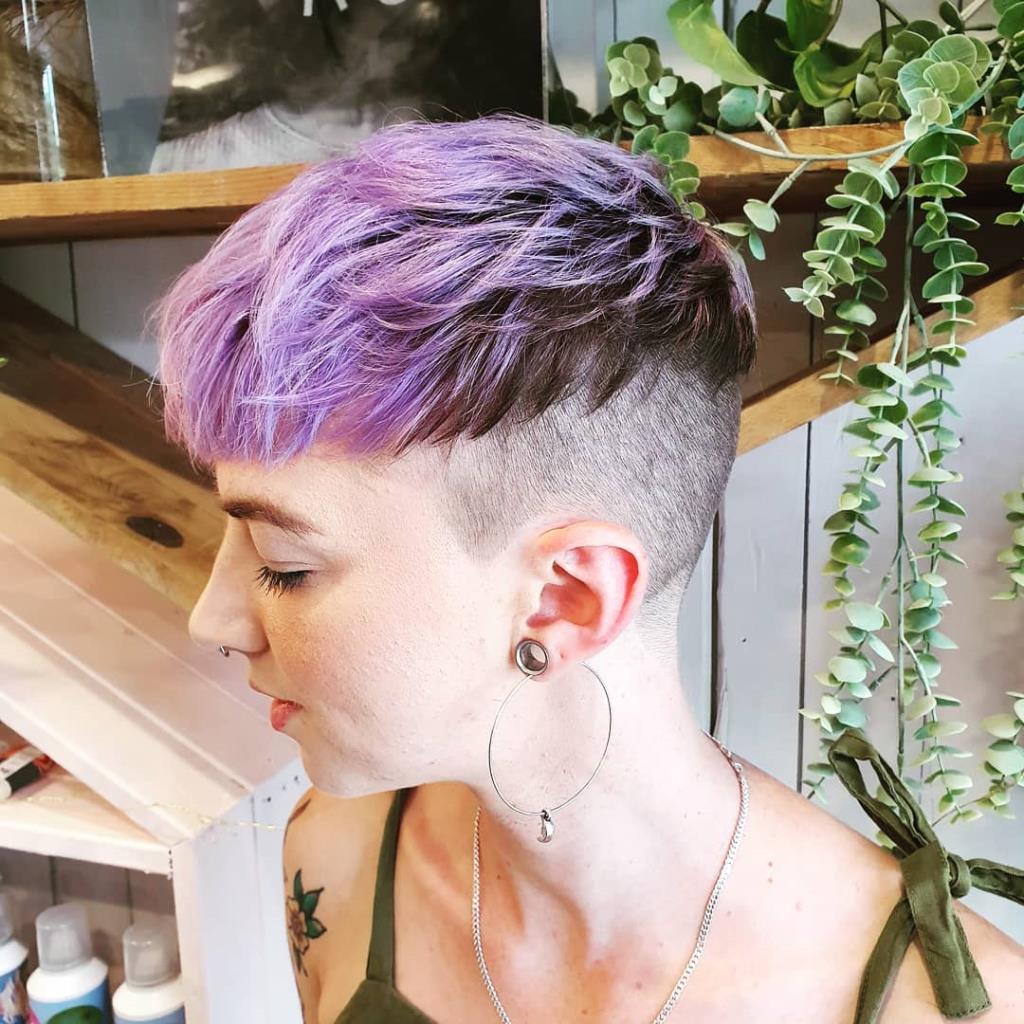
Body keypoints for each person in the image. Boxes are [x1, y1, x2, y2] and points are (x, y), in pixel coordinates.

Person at [150, 112, 1024, 1023]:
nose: (212, 620)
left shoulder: (945, 1006)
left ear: (566, 599)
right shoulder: (334, 863)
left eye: (285, 564)